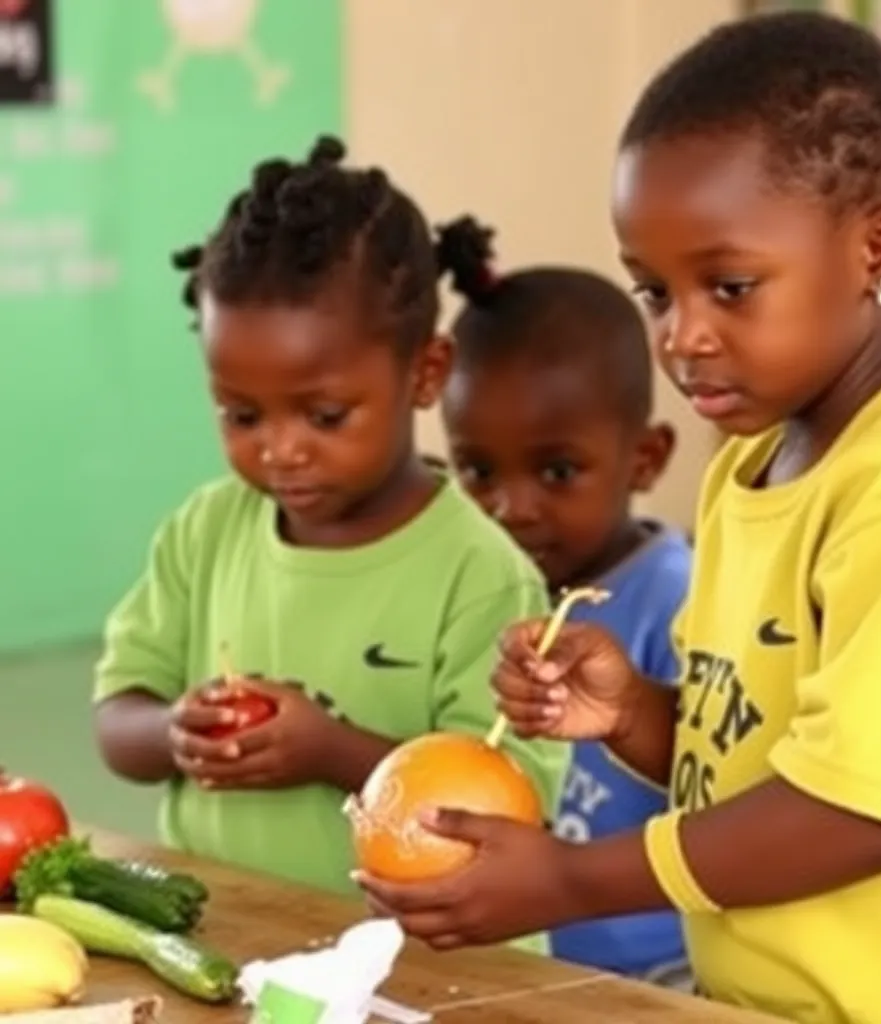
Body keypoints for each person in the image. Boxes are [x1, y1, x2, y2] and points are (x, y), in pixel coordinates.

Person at [354, 13, 881, 1021]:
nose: (683, 337)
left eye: (729, 286)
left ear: (879, 245)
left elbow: (860, 808)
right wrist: (632, 711)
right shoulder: (754, 459)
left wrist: (573, 879)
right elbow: (761, 764)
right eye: (653, 292)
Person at [91, 136, 569, 950]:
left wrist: (329, 749)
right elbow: (117, 722)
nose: (280, 450)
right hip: (234, 939)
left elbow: (505, 805)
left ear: (424, 374)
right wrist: (174, 729)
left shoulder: (481, 575)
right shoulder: (206, 531)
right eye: (243, 415)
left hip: (429, 969)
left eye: (323, 415)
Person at [435, 217, 693, 983]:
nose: (510, 507)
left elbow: (722, 791)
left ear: (643, 458)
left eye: (556, 473)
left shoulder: (675, 600)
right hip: (511, 963)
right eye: (478, 472)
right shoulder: (475, 586)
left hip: (659, 974)